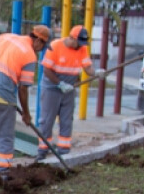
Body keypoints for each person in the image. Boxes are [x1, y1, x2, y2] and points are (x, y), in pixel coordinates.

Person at [0, 25, 50, 178]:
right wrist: (26, 114)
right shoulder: (30, 56)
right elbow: (23, 88)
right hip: (3, 98)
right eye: (43, 46)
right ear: (38, 40)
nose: (41, 50)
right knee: (5, 137)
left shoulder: (5, 37)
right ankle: (3, 172)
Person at [37, 25, 105, 160]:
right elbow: (47, 70)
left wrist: (96, 73)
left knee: (67, 119)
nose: (80, 46)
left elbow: (87, 67)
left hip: (69, 88)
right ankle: (43, 150)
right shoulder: (55, 46)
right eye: (79, 43)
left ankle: (63, 150)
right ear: (72, 38)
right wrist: (59, 84)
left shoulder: (82, 49)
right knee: (47, 120)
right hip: (52, 87)